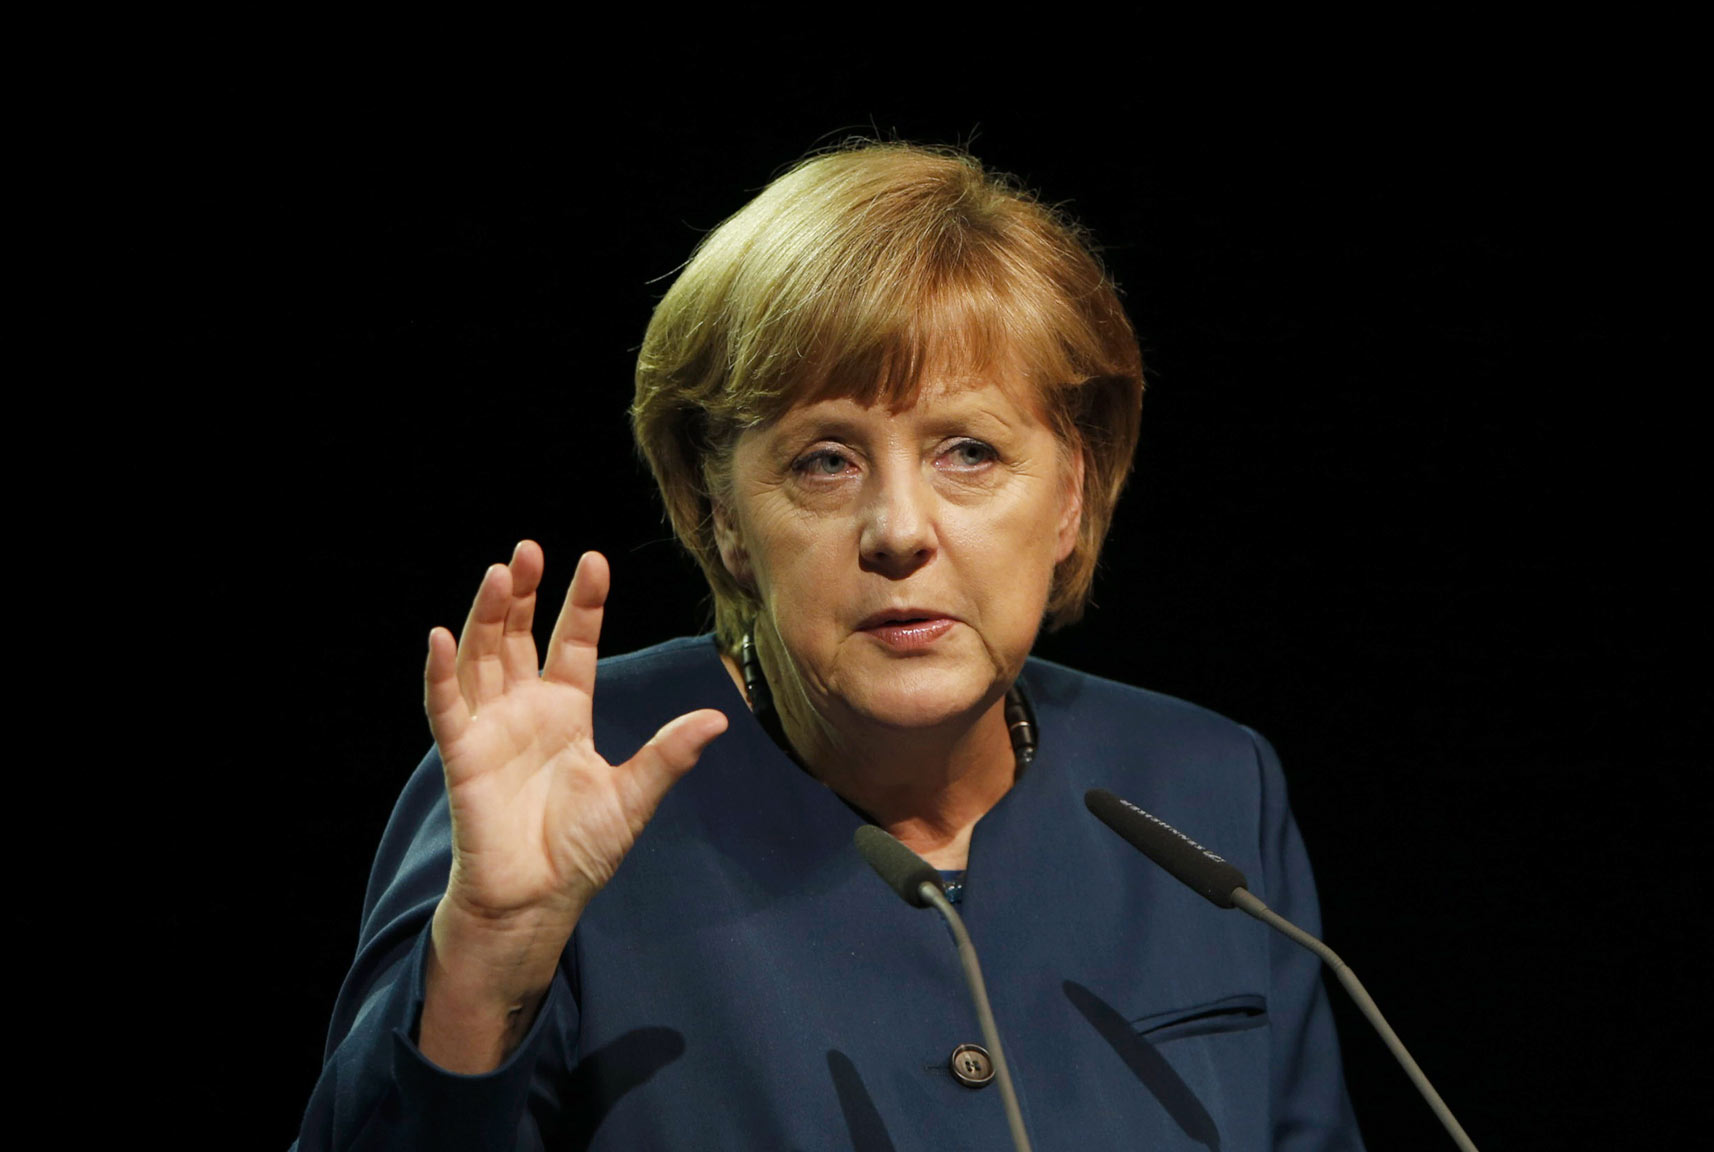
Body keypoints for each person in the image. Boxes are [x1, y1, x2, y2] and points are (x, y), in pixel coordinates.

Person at [294, 142, 1364, 1150]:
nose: (899, 530)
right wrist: (486, 962)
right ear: (718, 511)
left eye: (968, 450)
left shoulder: (1208, 787)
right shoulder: (565, 779)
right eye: (823, 462)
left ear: (1072, 494)